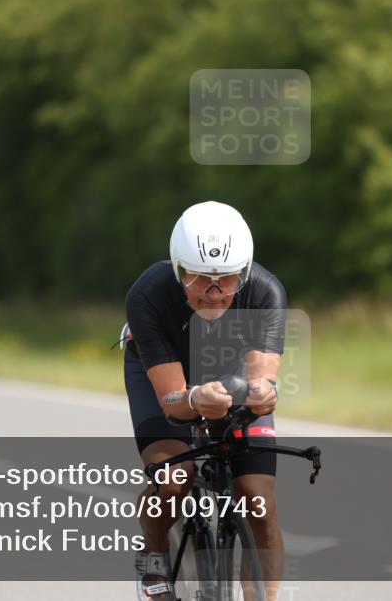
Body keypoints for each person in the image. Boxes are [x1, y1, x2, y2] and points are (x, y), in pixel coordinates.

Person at [122, 201, 286, 600]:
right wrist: (195, 398)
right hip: (166, 373)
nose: (213, 293)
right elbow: (172, 400)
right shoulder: (148, 294)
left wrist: (264, 393)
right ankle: (155, 557)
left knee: (258, 500)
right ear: (178, 271)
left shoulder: (266, 292)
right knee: (174, 478)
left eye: (227, 280)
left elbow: (261, 381)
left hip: (232, 375)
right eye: (198, 279)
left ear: (244, 273)